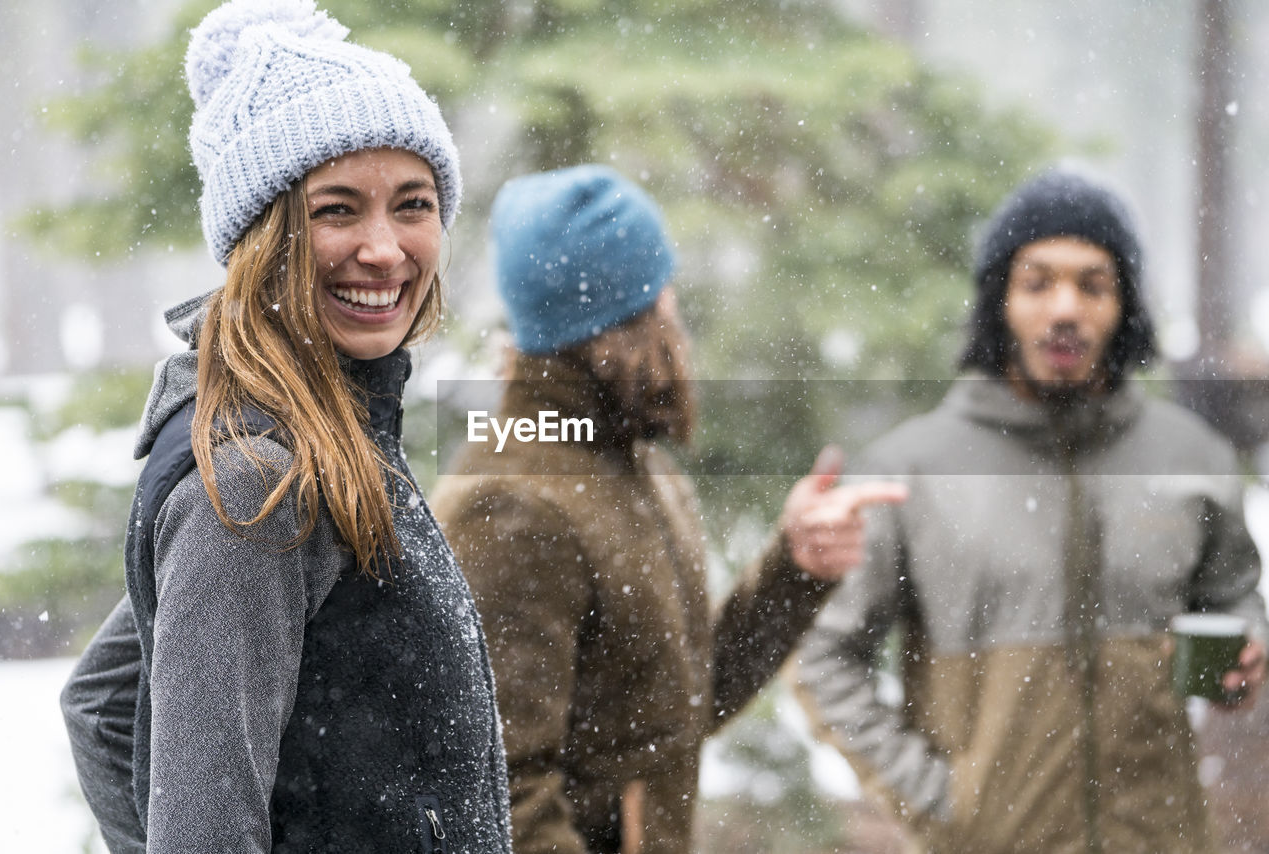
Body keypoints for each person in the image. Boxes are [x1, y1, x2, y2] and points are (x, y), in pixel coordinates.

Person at [58, 1, 512, 851]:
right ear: (265, 238)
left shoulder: (334, 430)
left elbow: (103, 703)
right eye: (338, 209)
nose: (384, 249)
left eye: (412, 203)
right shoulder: (255, 482)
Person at [430, 164, 908, 854]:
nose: (676, 313)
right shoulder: (515, 505)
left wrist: (792, 568)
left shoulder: (626, 466)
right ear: (616, 327)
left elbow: (671, 715)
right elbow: (501, 799)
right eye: (659, 295)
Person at [794, 169, 1269, 854]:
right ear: (999, 302)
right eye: (1037, 282)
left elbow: (1234, 597)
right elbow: (824, 653)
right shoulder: (912, 472)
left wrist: (1244, 650)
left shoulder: (1191, 455)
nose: (1066, 308)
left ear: (1126, 305)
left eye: (1093, 283)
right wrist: (938, 801)